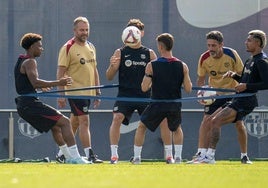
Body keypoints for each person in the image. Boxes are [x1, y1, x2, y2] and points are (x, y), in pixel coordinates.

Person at [106, 19, 176, 164]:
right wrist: (112, 66)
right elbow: (109, 76)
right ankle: (114, 156)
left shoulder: (149, 53)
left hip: (145, 96)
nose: (132, 33)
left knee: (163, 120)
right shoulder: (120, 52)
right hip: (125, 95)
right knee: (117, 118)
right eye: (129, 29)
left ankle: (169, 156)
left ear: (141, 33)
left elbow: (159, 76)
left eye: (136, 29)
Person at [14, 33, 89, 164]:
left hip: (24, 105)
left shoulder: (21, 60)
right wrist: (59, 83)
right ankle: (76, 158)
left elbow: (28, 83)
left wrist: (39, 87)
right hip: (29, 104)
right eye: (39, 46)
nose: (42, 49)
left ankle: (68, 157)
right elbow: (35, 82)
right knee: (65, 122)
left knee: (56, 126)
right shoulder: (30, 61)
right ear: (32, 47)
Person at [200, 29, 268, 164]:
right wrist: (234, 76)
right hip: (239, 98)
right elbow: (245, 79)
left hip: (246, 100)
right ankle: (211, 155)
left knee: (215, 121)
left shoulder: (261, 61)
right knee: (213, 120)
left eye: (249, 40)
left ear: (258, 43)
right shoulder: (250, 60)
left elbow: (266, 83)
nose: (246, 42)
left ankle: (210, 156)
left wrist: (246, 87)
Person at [187, 30, 252, 164]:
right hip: (214, 95)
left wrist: (233, 76)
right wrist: (202, 94)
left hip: (233, 95)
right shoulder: (204, 58)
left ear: (221, 45)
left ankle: (244, 156)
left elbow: (242, 74)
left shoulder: (231, 54)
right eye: (209, 45)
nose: (210, 49)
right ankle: (201, 154)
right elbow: (201, 79)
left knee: (239, 124)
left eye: (214, 46)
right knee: (207, 121)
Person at [131, 33, 192, 164]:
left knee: (141, 127)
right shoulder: (183, 66)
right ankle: (178, 157)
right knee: (176, 128)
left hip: (157, 104)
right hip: (174, 104)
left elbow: (144, 88)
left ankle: (136, 158)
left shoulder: (152, 65)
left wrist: (150, 78)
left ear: (160, 47)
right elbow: (188, 88)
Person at [56, 16, 103, 163]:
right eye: (82, 30)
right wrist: (61, 94)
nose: (85, 32)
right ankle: (90, 154)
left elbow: (94, 69)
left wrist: (97, 90)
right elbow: (60, 72)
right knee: (84, 121)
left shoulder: (91, 46)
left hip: (88, 93)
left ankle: (62, 154)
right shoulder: (67, 47)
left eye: (87, 29)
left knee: (74, 123)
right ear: (75, 30)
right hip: (75, 92)